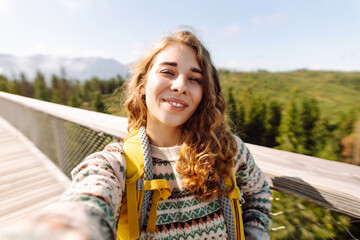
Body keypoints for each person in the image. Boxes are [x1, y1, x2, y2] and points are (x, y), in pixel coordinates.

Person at [2, 29, 272, 240]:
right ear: (143, 85)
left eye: (195, 78)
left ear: (204, 94)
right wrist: (67, 228)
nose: (180, 86)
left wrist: (256, 234)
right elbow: (89, 199)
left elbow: (259, 191)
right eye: (168, 72)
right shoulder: (116, 164)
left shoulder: (227, 152)